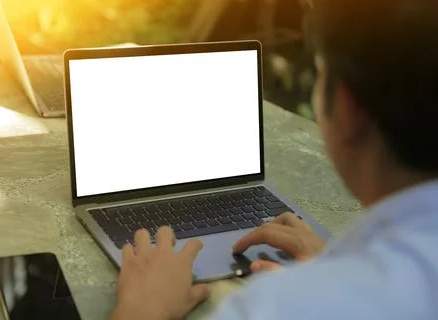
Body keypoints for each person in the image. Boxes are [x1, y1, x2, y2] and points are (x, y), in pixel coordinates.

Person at [112, 0, 438, 319]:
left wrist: (141, 311)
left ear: (346, 107)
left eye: (321, 72)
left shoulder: (273, 307)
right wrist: (335, 266)